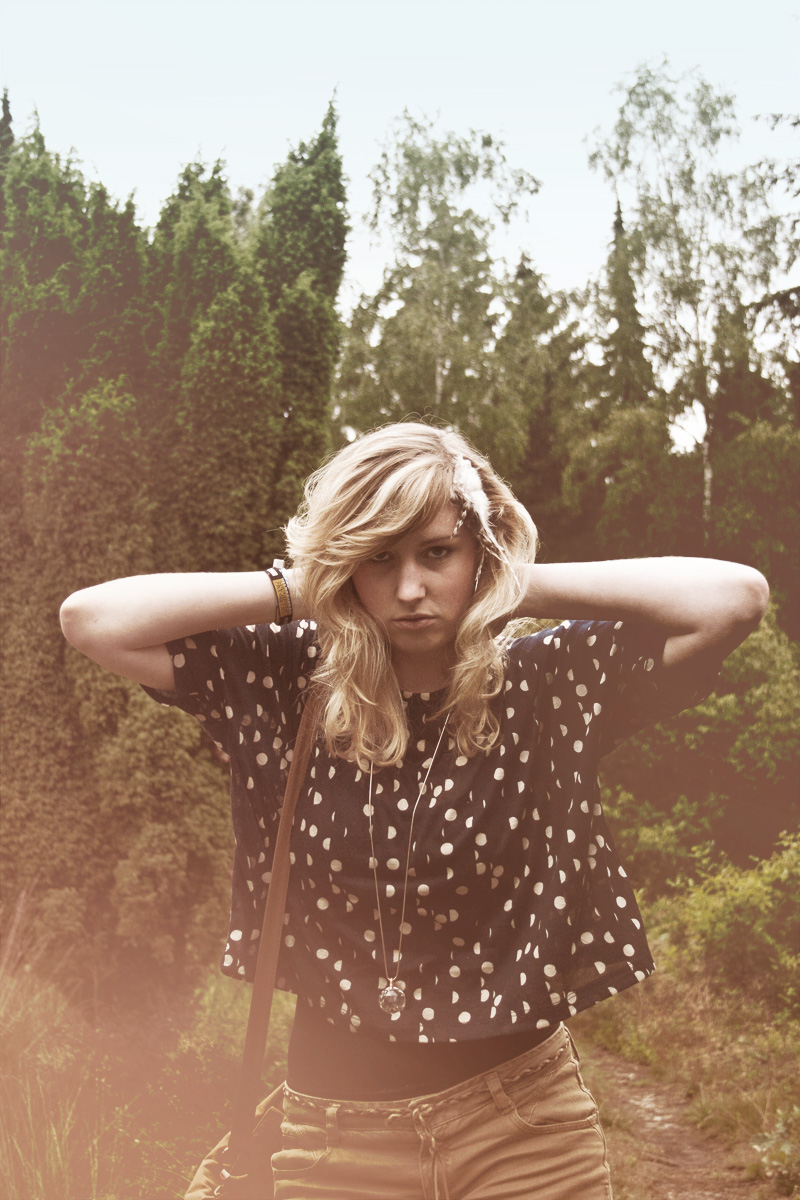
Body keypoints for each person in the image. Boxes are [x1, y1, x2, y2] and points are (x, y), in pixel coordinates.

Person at [60, 422, 769, 1200]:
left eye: (437, 553)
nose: (408, 589)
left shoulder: (545, 684)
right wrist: (305, 587)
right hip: (336, 1142)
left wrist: (508, 581)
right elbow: (93, 621)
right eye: (378, 558)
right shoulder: (289, 683)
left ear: (478, 552)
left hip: (525, 1130)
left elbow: (733, 599)